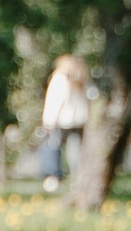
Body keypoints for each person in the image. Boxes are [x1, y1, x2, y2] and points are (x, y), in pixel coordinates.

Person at [38, 53, 91, 189]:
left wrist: (49, 121)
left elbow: (56, 101)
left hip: (61, 120)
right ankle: (77, 177)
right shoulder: (81, 78)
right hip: (79, 120)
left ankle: (53, 177)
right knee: (75, 150)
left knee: (53, 147)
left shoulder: (60, 78)